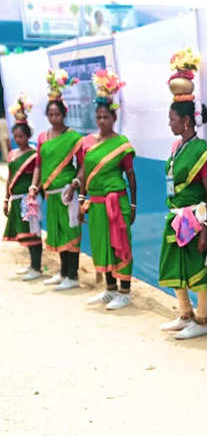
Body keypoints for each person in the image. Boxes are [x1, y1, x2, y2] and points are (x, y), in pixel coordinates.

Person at [158, 48, 207, 339]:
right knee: (175, 265)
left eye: (172, 119)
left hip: (194, 218)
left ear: (186, 121)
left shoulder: (202, 151)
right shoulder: (175, 148)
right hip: (174, 216)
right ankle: (184, 314)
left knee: (198, 268)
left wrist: (206, 228)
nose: (170, 123)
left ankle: (203, 321)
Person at [76, 69, 136, 310]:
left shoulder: (121, 144)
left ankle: (125, 291)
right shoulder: (88, 143)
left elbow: (131, 176)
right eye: (99, 117)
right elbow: (82, 172)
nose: (102, 121)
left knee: (120, 243)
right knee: (102, 244)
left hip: (116, 202)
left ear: (114, 119)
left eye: (106, 117)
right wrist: (81, 197)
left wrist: (133, 205)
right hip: (97, 203)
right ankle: (110, 289)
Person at [30, 73, 83, 291]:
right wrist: (34, 186)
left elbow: (82, 166)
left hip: (66, 192)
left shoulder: (73, 138)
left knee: (71, 232)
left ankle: (73, 275)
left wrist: (75, 185)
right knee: (58, 232)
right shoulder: (43, 137)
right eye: (50, 114)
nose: (54, 118)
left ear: (64, 114)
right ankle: (63, 273)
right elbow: (39, 165)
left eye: (57, 114)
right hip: (49, 193)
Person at [3, 95, 42, 280]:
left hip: (29, 199)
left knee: (32, 232)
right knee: (23, 232)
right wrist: (6, 199)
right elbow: (10, 177)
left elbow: (38, 175)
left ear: (28, 136)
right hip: (16, 198)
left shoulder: (33, 155)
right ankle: (31, 265)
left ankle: (37, 267)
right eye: (16, 136)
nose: (18, 139)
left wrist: (33, 194)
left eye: (22, 136)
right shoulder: (12, 154)